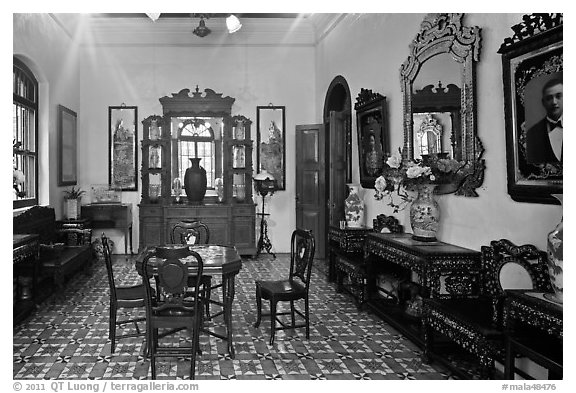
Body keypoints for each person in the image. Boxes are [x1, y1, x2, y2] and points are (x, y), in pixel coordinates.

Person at [526, 78, 563, 164]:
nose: (554, 102)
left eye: (558, 96)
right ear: (543, 102)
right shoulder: (532, 134)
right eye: (549, 98)